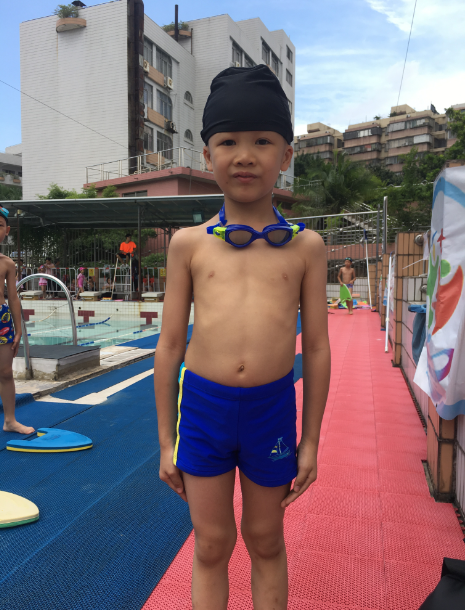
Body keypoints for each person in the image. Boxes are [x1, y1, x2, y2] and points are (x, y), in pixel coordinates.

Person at [154, 65, 330, 610]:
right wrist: (165, 441)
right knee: (211, 543)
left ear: (287, 155)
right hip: (204, 408)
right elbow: (170, 346)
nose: (245, 155)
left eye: (262, 141)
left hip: (270, 409)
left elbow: (316, 348)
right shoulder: (189, 244)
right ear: (208, 155)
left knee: (266, 539)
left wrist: (310, 440)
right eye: (228, 141)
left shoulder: (306, 248)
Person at [0, 206, 35, 435]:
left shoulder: (7, 264)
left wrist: (19, 328)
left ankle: (10, 420)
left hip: (1, 319)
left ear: (7, 230)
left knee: (5, 372)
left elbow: (13, 298)